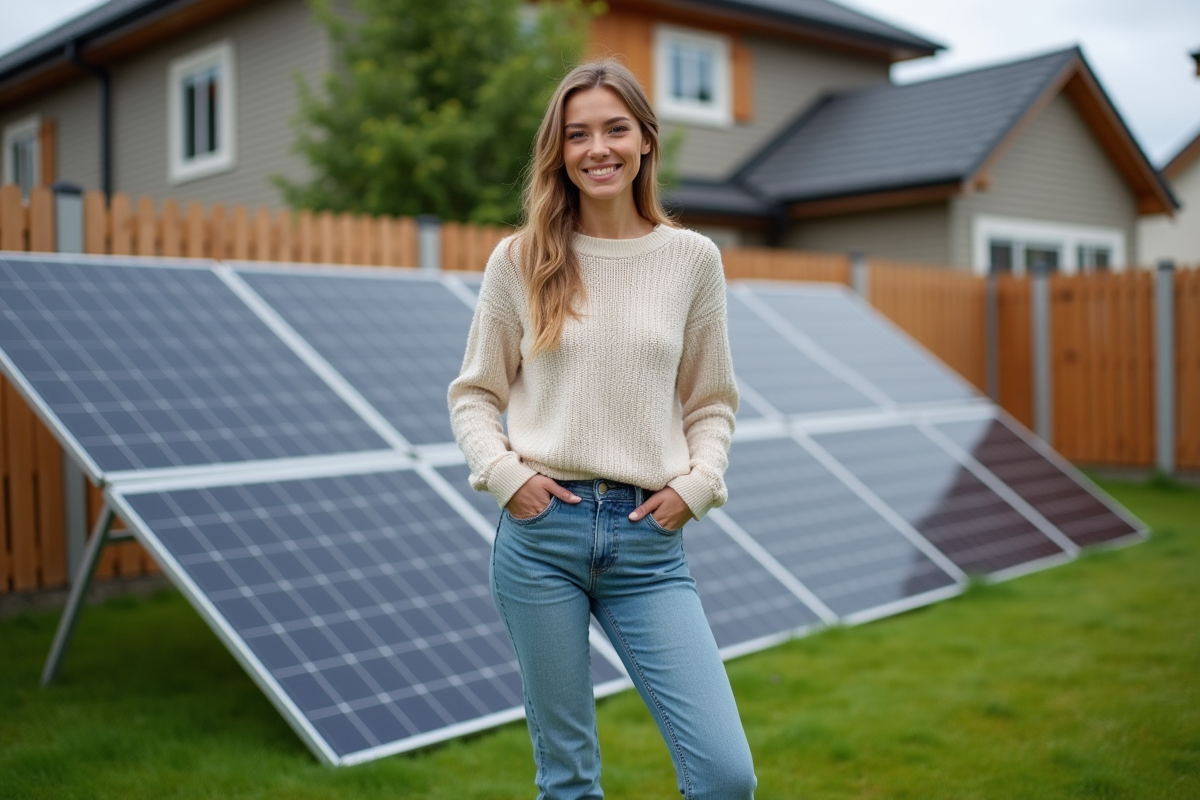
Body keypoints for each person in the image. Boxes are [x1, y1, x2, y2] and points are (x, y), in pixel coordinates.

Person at [448, 59, 756, 800]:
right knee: (570, 781)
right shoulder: (520, 259)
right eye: (577, 134)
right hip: (540, 541)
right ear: (559, 150)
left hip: (649, 547)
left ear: (645, 140)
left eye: (615, 129)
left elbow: (710, 403)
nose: (598, 149)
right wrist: (506, 476)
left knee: (725, 776)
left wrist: (698, 485)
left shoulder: (691, 260)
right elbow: (473, 396)